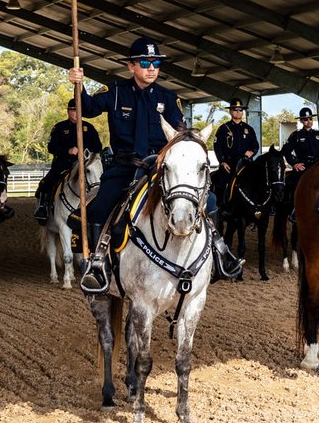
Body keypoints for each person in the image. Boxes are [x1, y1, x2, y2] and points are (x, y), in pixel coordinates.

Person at [67, 36, 243, 293]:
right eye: (145, 62)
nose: (152, 67)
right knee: (99, 207)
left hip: (160, 168)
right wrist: (78, 86)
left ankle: (219, 253)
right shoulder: (115, 92)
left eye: (156, 62)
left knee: (212, 201)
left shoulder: (169, 98)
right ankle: (98, 264)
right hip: (125, 166)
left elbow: (180, 132)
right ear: (131, 66)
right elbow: (88, 108)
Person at [34, 98, 103, 224]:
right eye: (73, 111)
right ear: (68, 111)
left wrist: (86, 151)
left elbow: (98, 147)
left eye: (79, 111)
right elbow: (51, 147)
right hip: (64, 163)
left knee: (99, 182)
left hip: (84, 164)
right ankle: (43, 208)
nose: (76, 114)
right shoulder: (59, 128)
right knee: (46, 182)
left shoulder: (89, 128)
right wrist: (67, 151)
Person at [213, 97, 258, 212]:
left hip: (245, 165)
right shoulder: (223, 129)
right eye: (235, 110)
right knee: (221, 184)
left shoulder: (249, 129)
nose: (238, 112)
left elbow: (255, 146)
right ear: (231, 112)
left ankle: (257, 207)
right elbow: (218, 148)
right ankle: (221, 209)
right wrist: (222, 162)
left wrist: (251, 152)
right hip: (229, 165)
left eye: (240, 110)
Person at [281, 107, 319, 200]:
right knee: (296, 186)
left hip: (317, 165)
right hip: (302, 166)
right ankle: (294, 208)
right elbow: (286, 151)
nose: (309, 121)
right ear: (301, 121)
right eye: (306, 119)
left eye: (311, 119)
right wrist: (294, 164)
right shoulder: (295, 135)